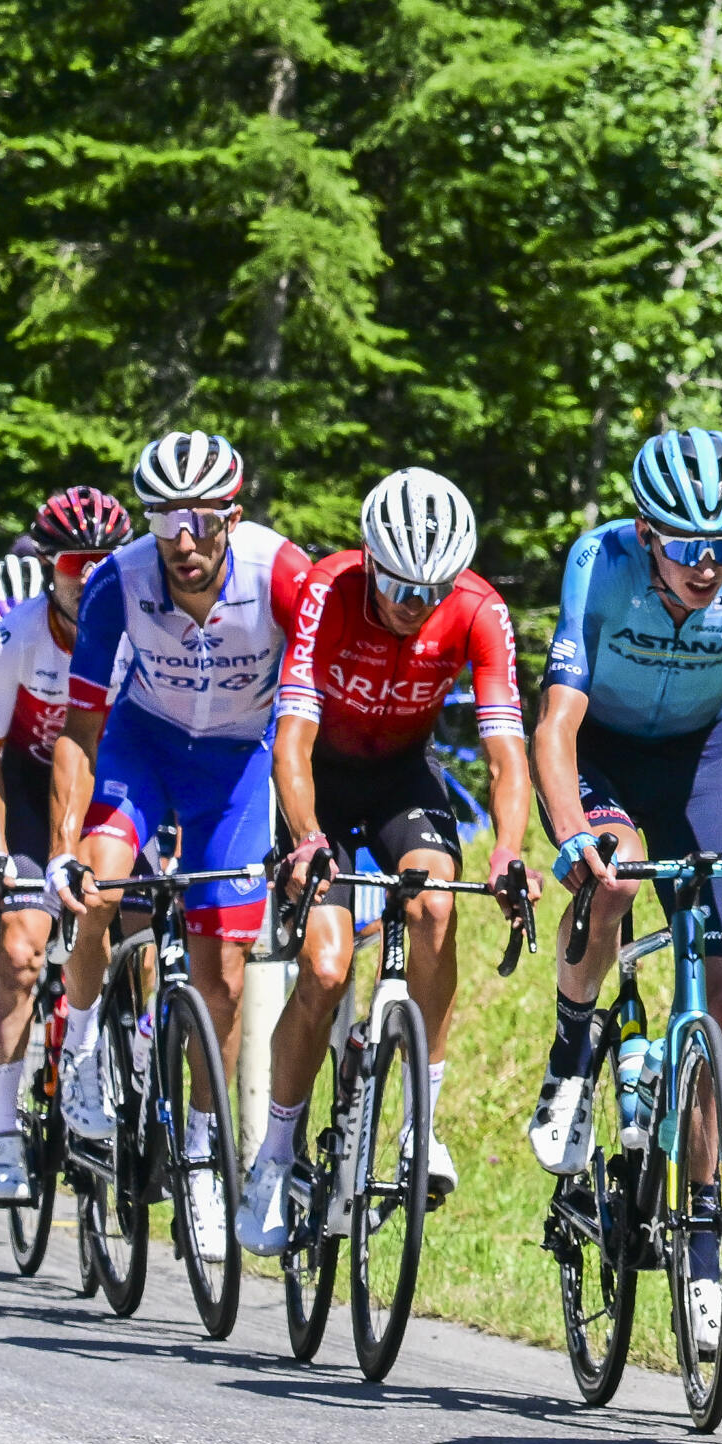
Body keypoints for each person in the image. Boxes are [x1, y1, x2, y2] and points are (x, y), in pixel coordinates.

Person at [527, 428, 722, 1358]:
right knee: (613, 874)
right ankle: (572, 1055)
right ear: (648, 532)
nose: (708, 565)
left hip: (698, 765)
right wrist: (572, 833)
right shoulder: (600, 563)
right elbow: (555, 725)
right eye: (688, 545)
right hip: (600, 756)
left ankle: (705, 1253)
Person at [247, 468, 536, 1254]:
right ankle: (274, 1156)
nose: (415, 604)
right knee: (327, 968)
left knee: (436, 905)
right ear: (371, 560)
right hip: (319, 783)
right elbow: (292, 739)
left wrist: (509, 851)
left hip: (402, 778)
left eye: (431, 590)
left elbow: (506, 753)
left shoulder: (479, 610)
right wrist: (307, 836)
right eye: (401, 586)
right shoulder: (328, 589)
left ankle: (419, 1125)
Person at [50, 432, 310, 1264]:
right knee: (98, 885)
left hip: (238, 767)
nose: (183, 539)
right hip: (145, 748)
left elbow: (311, 712)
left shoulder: (281, 573)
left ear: (233, 514)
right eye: (165, 519)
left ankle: (201, 1156)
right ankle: (80, 1048)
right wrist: (62, 848)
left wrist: (308, 828)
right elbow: (80, 726)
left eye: (201, 518)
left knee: (221, 971)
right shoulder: (117, 581)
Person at [0, 489, 133, 1201]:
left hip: (113, 792)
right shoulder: (17, 636)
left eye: (102, 562)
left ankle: (120, 1065)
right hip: (32, 794)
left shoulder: (142, 630)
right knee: (22, 949)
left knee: (141, 928)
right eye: (72, 563)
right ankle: (3, 1130)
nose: (86, 577)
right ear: (46, 567)